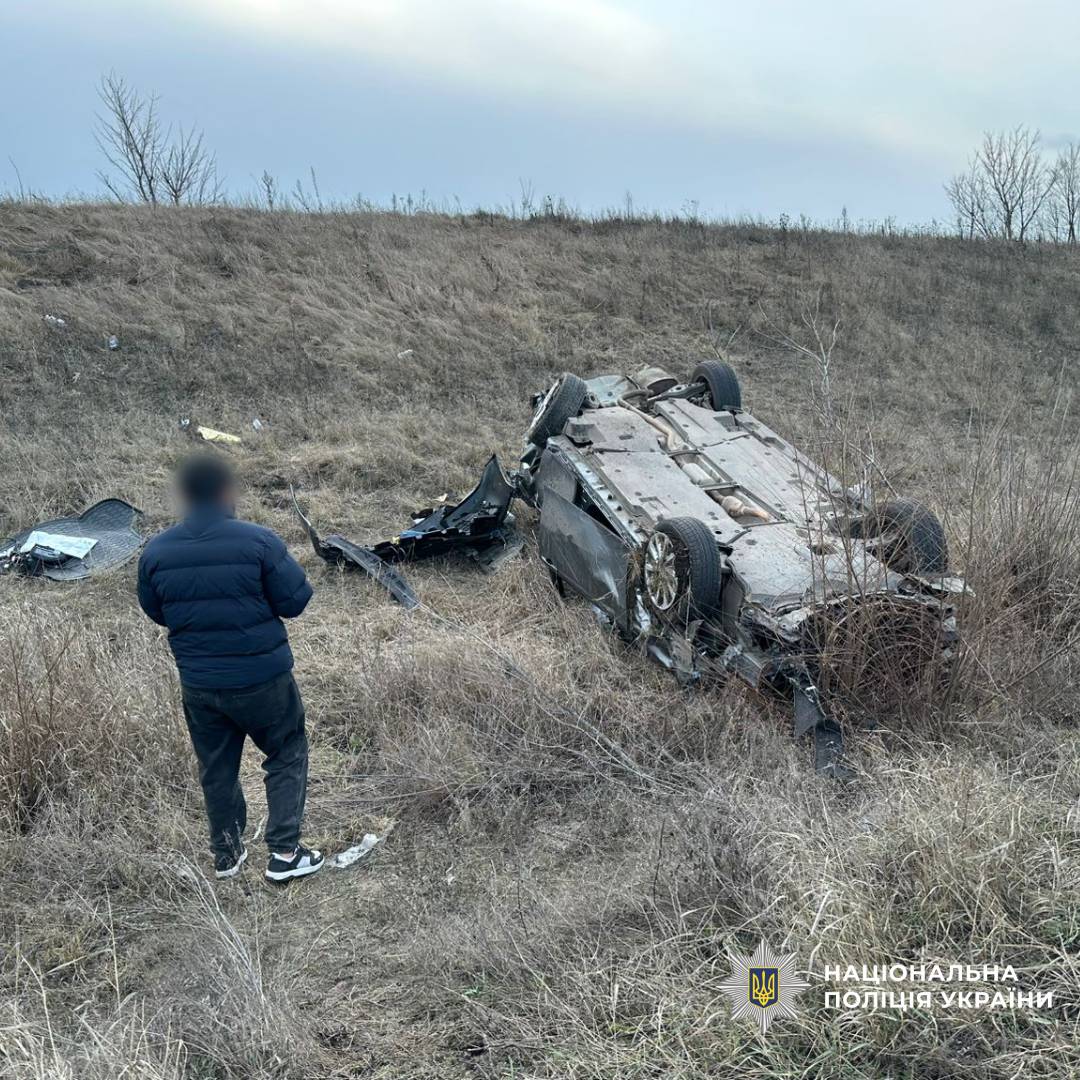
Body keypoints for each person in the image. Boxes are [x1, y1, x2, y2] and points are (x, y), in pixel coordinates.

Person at [137, 453, 322, 882]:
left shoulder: (156, 552)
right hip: (263, 680)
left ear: (184, 496)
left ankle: (227, 856)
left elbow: (157, 611)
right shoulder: (260, 541)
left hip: (199, 685)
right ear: (226, 492)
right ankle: (285, 854)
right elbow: (296, 601)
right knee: (286, 751)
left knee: (216, 769)